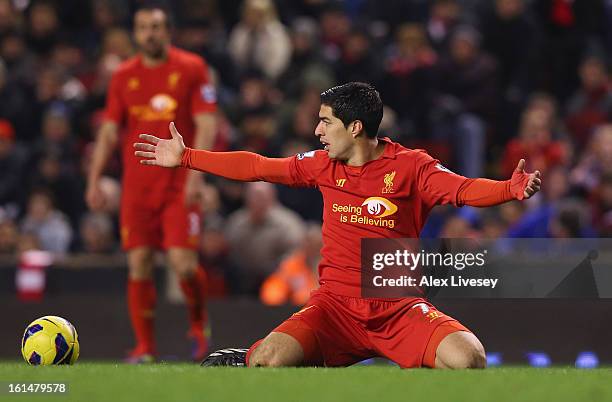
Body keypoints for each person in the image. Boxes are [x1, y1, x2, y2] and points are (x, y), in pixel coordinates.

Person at [135, 82, 541, 368]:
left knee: (469, 358)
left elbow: (465, 189)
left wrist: (510, 188)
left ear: (355, 127)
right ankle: (281, 357)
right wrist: (188, 157)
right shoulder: (321, 165)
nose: (317, 131)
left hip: (398, 309)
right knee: (267, 360)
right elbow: (258, 166)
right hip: (334, 309)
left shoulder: (411, 167)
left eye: (325, 122)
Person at [86, 5, 216, 363]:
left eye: (156, 27)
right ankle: (145, 347)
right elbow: (110, 130)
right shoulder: (123, 75)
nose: (149, 34)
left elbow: (206, 124)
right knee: (139, 262)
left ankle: (198, 321)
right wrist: (95, 179)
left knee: (184, 265)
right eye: (143, 27)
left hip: (178, 184)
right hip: (137, 188)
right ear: (135, 33)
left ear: (168, 30)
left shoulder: (192, 67)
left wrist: (197, 174)